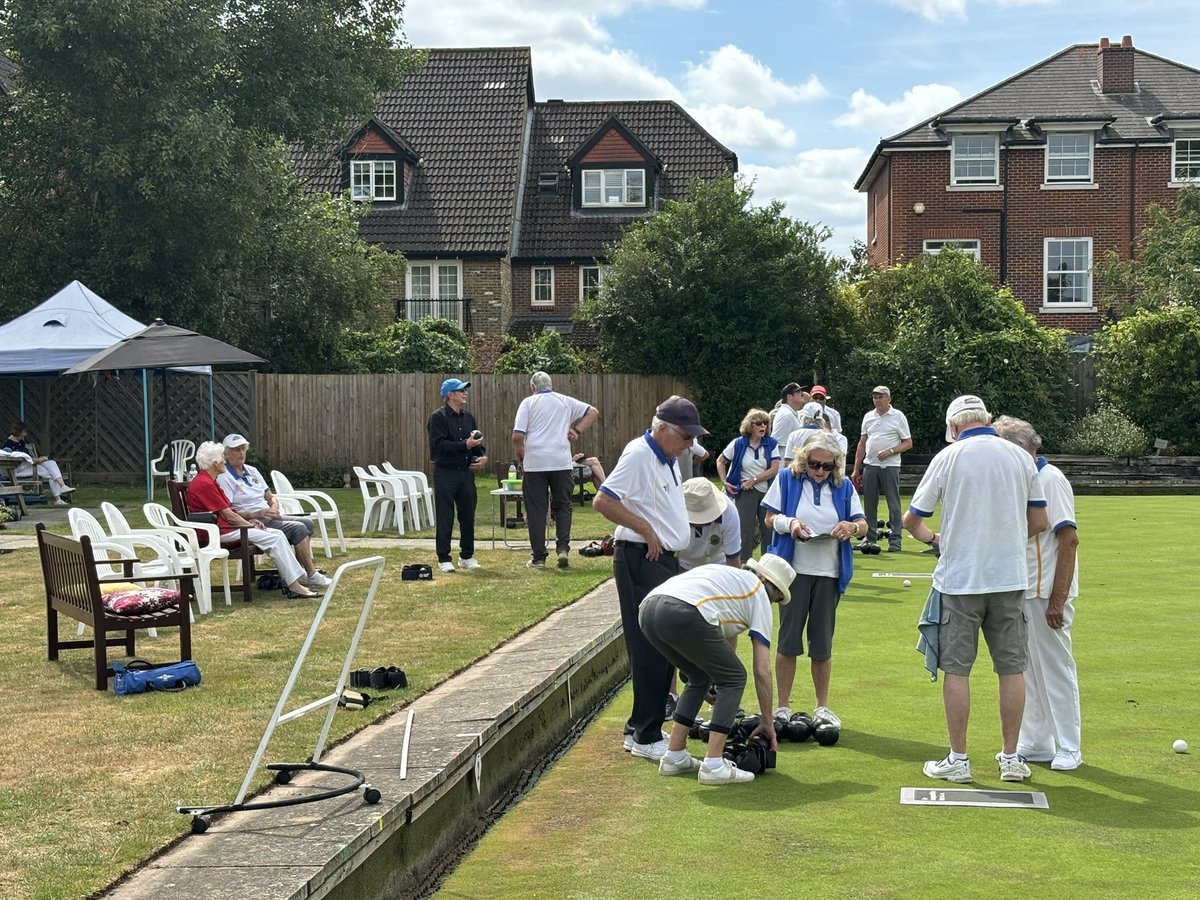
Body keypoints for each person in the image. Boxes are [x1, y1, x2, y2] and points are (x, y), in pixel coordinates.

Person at [902, 395, 1048, 784]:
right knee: (1011, 668)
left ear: (952, 428)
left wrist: (939, 541)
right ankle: (1012, 759)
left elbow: (911, 521)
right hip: (1009, 578)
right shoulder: (1020, 457)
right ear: (986, 419)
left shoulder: (947, 458)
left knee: (957, 669)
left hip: (961, 580)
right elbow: (1039, 519)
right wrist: (1006, 540)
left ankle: (959, 759)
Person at [594, 395, 707, 762]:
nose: (690, 444)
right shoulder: (640, 454)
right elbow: (604, 501)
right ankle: (646, 734)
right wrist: (645, 528)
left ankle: (637, 727)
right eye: (685, 437)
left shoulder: (667, 454)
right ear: (662, 430)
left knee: (659, 645)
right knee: (651, 647)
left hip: (660, 560)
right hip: (642, 558)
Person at [638, 554, 794, 784]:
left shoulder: (729, 578)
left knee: (699, 677)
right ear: (774, 588)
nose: (774, 602)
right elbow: (762, 669)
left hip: (648, 610)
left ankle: (674, 755)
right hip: (682, 611)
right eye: (778, 597)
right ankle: (713, 764)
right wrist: (767, 721)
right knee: (735, 677)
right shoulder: (759, 593)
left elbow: (703, 650)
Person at [994, 415, 1083, 771]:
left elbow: (1069, 539)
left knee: (1055, 668)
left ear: (1019, 450)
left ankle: (1070, 745)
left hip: (1047, 593)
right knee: (1026, 669)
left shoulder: (1051, 479)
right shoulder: (1024, 481)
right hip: (1022, 590)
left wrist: (1058, 599)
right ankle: (1037, 740)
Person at [762, 431, 866, 729]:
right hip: (792, 573)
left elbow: (863, 523)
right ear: (802, 460)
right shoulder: (786, 479)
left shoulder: (844, 486)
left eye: (826, 466)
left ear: (836, 465)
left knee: (822, 644)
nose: (820, 471)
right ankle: (783, 706)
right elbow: (770, 517)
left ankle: (822, 706)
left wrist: (851, 527)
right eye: (813, 464)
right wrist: (790, 523)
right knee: (788, 641)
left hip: (829, 572)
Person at [187, 441, 319, 598]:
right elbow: (228, 515)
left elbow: (228, 512)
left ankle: (295, 580)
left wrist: (249, 523)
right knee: (274, 538)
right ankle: (294, 586)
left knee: (278, 535)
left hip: (226, 528)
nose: (224, 461)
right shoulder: (205, 483)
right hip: (217, 533)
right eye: (222, 458)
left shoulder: (209, 481)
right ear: (215, 463)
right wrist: (249, 526)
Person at [215, 434, 329, 590]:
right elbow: (227, 512)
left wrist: (274, 506)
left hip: (269, 516)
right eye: (236, 450)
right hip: (253, 521)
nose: (241, 453)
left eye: (243, 449)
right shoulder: (225, 477)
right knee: (299, 528)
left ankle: (300, 571)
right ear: (226, 454)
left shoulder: (252, 471)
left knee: (307, 523)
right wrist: (257, 514)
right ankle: (311, 574)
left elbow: (270, 495)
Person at [512, 371, 599, 570]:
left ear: (532, 387)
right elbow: (593, 411)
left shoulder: (528, 403)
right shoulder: (564, 401)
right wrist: (577, 430)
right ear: (551, 384)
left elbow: (517, 435)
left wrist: (520, 449)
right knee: (563, 506)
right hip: (561, 462)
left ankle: (539, 558)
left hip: (536, 465)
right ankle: (562, 549)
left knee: (537, 510)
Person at [428, 378, 488, 573]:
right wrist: (465, 445)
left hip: (465, 474)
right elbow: (439, 446)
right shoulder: (438, 418)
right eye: (461, 390)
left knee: (468, 515)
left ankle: (467, 556)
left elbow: (476, 443)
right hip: (445, 473)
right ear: (450, 395)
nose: (465, 393)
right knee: (446, 516)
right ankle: (444, 558)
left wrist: (482, 456)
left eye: (465, 390)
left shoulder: (468, 417)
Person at [851, 386, 912, 553]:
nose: (877, 400)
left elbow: (908, 442)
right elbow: (862, 443)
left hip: (890, 466)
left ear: (889, 399)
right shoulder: (868, 417)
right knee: (869, 505)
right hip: (870, 465)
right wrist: (857, 468)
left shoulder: (898, 416)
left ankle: (895, 539)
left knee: (894, 504)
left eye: (880, 397)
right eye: (875, 397)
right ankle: (869, 539)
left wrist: (890, 451)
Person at [716, 409, 780, 563]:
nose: (763, 426)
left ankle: (767, 566)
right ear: (750, 426)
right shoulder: (738, 443)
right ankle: (743, 566)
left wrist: (753, 480)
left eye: (765, 423)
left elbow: (774, 469)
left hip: (767, 493)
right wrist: (725, 482)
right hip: (745, 493)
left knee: (769, 531)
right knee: (745, 531)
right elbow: (720, 461)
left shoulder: (771, 443)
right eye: (759, 423)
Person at [2, 420, 75, 505]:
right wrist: (38, 460)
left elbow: (28, 456)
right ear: (19, 432)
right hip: (18, 470)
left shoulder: (21, 442)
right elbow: (20, 459)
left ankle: (62, 489)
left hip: (29, 465)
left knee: (51, 463)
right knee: (51, 473)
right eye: (24, 432)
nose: (25, 434)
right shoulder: (9, 446)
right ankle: (58, 497)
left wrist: (39, 459)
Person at [678, 477, 741, 571]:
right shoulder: (672, 511)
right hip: (680, 565)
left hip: (718, 567)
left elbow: (733, 560)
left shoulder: (729, 512)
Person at [783, 402, 848, 463]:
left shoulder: (794, 435)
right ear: (821, 418)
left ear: (803, 417)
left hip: (797, 472)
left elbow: (788, 461)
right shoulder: (829, 436)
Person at [770, 382, 808, 448]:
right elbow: (777, 444)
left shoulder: (791, 413)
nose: (802, 394)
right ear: (789, 396)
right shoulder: (786, 415)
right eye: (798, 392)